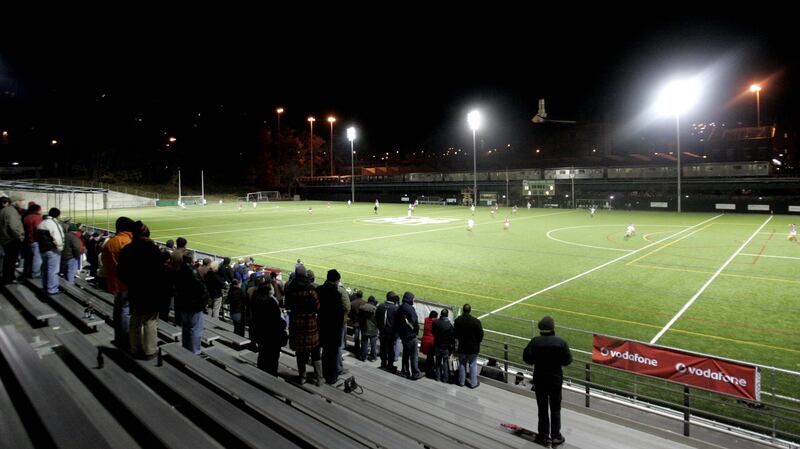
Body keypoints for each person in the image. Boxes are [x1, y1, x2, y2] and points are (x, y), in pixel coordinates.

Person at [523, 316, 573, 447]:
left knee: (542, 408)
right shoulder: (561, 342)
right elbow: (568, 361)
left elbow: (527, 358)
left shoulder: (535, 341)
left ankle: (543, 436)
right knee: (556, 408)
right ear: (553, 327)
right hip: (555, 380)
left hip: (540, 379)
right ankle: (556, 436)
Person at [454, 304, 483, 388]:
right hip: (473, 348)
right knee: (473, 364)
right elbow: (480, 335)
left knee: (462, 364)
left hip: (462, 347)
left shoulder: (458, 320)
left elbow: (455, 334)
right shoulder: (476, 321)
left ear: (463, 310)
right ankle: (473, 383)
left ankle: (461, 382)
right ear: (470, 310)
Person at [432, 308, 454, 382]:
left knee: (438, 362)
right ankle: (445, 379)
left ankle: (437, 377)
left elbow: (433, 332)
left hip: (437, 345)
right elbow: (451, 339)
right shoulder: (449, 325)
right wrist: (452, 349)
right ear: (447, 315)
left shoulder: (435, 322)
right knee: (445, 363)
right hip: (445, 347)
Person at [420, 310, 438, 377]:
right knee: (430, 356)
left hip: (425, 340)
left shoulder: (426, 319)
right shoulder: (435, 322)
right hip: (431, 341)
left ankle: (429, 369)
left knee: (429, 356)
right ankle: (430, 371)